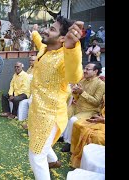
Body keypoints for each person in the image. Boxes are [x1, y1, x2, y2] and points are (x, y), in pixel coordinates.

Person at [28, 16, 84, 179]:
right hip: (36, 111)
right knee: (34, 139)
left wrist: (72, 47)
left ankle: (48, 160)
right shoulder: (45, 49)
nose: (47, 30)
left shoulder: (64, 58)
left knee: (36, 155)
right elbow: (39, 41)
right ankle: (53, 160)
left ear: (62, 38)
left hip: (50, 116)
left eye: (52, 29)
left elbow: (74, 76)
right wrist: (35, 33)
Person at [61, 61, 105, 152]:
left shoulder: (101, 84)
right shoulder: (83, 81)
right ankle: (61, 136)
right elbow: (77, 97)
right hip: (78, 106)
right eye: (85, 68)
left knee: (73, 120)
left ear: (95, 71)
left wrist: (82, 92)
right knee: (63, 112)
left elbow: (96, 102)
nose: (84, 71)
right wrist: (75, 93)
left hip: (90, 110)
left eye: (87, 69)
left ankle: (69, 143)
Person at [70, 94, 105, 168]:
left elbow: (95, 103)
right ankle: (74, 149)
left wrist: (102, 120)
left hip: (102, 122)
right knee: (77, 124)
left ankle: (94, 165)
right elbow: (101, 107)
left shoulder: (99, 84)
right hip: (100, 118)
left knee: (96, 136)